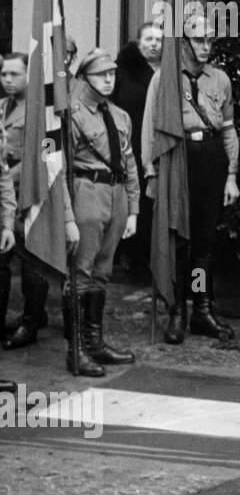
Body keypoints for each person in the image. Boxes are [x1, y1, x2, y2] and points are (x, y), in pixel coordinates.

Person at [141, 13, 240, 342]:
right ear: (183, 42)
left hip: (210, 159)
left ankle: (201, 310)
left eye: (210, 40)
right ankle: (177, 312)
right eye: (199, 40)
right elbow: (149, 127)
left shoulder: (220, 80)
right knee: (178, 239)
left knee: (203, 243)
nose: (206, 46)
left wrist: (232, 176)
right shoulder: (165, 79)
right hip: (178, 159)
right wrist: (150, 171)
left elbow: (228, 129)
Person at [62, 49, 139, 377]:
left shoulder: (120, 115)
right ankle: (76, 350)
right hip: (87, 192)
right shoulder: (74, 115)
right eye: (100, 75)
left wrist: (133, 209)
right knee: (81, 273)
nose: (108, 80)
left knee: (103, 271)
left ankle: (95, 344)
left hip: (116, 194)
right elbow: (59, 169)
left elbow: (130, 161)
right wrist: (67, 217)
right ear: (83, 78)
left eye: (112, 74)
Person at [1, 52, 51, 349]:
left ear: (28, 76)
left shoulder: (38, 112)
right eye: (4, 74)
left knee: (33, 259)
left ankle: (32, 321)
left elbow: (42, 155)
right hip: (4, 191)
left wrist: (9, 175)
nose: (8, 79)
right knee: (2, 260)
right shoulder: (1, 107)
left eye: (14, 74)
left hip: (28, 190)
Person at [113, 22, 163, 275]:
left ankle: (152, 256)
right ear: (138, 42)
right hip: (129, 144)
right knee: (134, 199)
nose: (154, 44)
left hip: (158, 145)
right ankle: (131, 256)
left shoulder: (170, 72)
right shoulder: (123, 72)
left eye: (158, 39)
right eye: (148, 39)